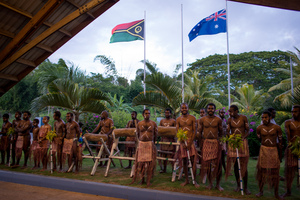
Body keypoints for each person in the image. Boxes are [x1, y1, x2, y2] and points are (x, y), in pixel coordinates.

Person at [256, 111, 283, 199]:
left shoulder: (277, 128)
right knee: (261, 171)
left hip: (273, 150)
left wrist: (280, 155)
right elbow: (260, 139)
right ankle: (261, 191)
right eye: (262, 118)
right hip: (263, 150)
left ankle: (276, 193)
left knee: (275, 172)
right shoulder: (259, 128)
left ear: (270, 117)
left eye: (266, 117)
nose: (264, 119)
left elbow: (280, 143)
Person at [226, 105, 251, 195]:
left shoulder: (243, 118)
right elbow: (227, 131)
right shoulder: (229, 120)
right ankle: (238, 185)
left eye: (231, 111)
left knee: (243, 166)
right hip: (233, 143)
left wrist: (243, 138)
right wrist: (231, 137)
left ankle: (246, 187)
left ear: (236, 111)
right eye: (229, 111)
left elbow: (248, 130)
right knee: (236, 166)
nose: (229, 113)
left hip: (242, 143)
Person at [198, 103, 223, 191]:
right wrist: (201, 143)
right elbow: (199, 132)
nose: (210, 110)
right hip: (206, 142)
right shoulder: (202, 120)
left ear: (215, 110)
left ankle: (218, 184)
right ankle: (210, 183)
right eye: (209, 108)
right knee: (207, 165)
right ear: (207, 109)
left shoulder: (218, 119)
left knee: (218, 165)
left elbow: (221, 132)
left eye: (212, 108)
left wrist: (220, 143)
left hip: (215, 143)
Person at [131, 109, 157, 187]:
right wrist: (140, 142)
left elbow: (156, 134)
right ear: (143, 114)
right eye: (146, 113)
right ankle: (142, 180)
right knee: (141, 164)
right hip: (142, 144)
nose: (147, 114)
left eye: (149, 113)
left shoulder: (153, 123)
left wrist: (153, 143)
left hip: (150, 144)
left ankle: (148, 181)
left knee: (149, 164)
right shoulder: (139, 124)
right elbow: (138, 134)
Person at [175, 103, 199, 187]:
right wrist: (182, 142)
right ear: (180, 109)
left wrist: (190, 143)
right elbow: (178, 131)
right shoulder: (178, 119)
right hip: (183, 141)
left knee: (193, 161)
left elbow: (194, 131)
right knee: (184, 161)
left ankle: (194, 180)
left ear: (188, 108)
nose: (184, 109)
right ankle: (187, 180)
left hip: (190, 141)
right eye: (182, 108)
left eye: (185, 108)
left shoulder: (193, 118)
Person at [283, 105, 300, 197]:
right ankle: (288, 191)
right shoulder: (288, 122)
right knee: (290, 170)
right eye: (292, 112)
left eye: (295, 111)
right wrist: (292, 146)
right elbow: (288, 136)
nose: (293, 113)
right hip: (292, 148)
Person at [159, 108, 176, 173]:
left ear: (170, 113)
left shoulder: (173, 121)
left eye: (168, 112)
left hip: (171, 140)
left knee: (172, 155)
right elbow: (160, 130)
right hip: (164, 140)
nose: (167, 114)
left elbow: (175, 130)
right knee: (164, 154)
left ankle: (173, 169)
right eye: (166, 112)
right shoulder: (162, 121)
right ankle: (164, 169)